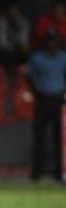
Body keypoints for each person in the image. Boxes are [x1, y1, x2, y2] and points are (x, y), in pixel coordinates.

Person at [27, 29, 66, 181]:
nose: (52, 43)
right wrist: (37, 90)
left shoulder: (63, 57)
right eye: (49, 40)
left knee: (59, 138)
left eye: (54, 40)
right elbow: (30, 76)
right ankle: (36, 172)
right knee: (39, 137)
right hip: (43, 100)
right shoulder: (37, 58)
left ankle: (59, 172)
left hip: (59, 100)